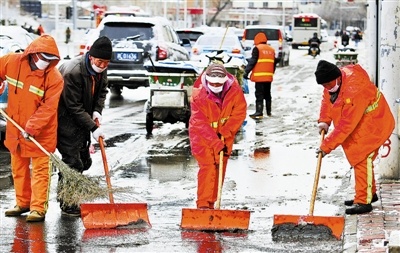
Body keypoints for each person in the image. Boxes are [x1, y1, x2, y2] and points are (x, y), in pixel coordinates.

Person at [314, 60, 394, 215]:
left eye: (329, 84)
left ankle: (364, 201)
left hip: (375, 123)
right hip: (363, 122)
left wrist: (327, 146)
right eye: (324, 85)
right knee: (361, 160)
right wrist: (324, 120)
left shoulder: (354, 88)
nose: (327, 88)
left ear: (337, 77)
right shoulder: (333, 82)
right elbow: (327, 100)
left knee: (362, 159)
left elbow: (346, 124)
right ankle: (369, 193)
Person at [0, 35, 63, 222]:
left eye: (51, 60)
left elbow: (49, 107)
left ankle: (38, 208)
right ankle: (22, 203)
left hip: (41, 132)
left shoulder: (54, 78)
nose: (47, 63)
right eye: (45, 58)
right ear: (34, 54)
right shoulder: (12, 62)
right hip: (15, 127)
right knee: (18, 167)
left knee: (40, 171)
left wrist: (32, 127)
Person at [56, 36, 112, 216]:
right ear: (91, 57)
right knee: (72, 163)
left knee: (84, 162)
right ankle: (68, 203)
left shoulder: (101, 70)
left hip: (82, 118)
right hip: (64, 120)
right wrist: (93, 127)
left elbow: (102, 91)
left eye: (106, 63)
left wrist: (97, 110)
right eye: (100, 61)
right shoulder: (72, 72)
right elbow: (73, 106)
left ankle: (68, 192)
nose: (103, 66)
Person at [189, 63, 247, 209]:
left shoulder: (234, 90)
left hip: (225, 135)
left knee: (219, 167)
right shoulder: (198, 94)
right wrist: (215, 143)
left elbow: (239, 112)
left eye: (218, 83)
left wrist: (226, 132)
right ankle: (203, 204)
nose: (215, 85)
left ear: (225, 80)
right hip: (202, 136)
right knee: (208, 166)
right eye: (212, 83)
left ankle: (212, 202)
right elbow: (199, 123)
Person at [243, 32, 277, 119]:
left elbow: (252, 61)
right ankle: (269, 112)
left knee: (259, 94)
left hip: (259, 76)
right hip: (268, 76)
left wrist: (246, 71)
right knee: (267, 94)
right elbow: (274, 64)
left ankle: (259, 112)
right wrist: (271, 73)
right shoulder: (271, 49)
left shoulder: (257, 49)